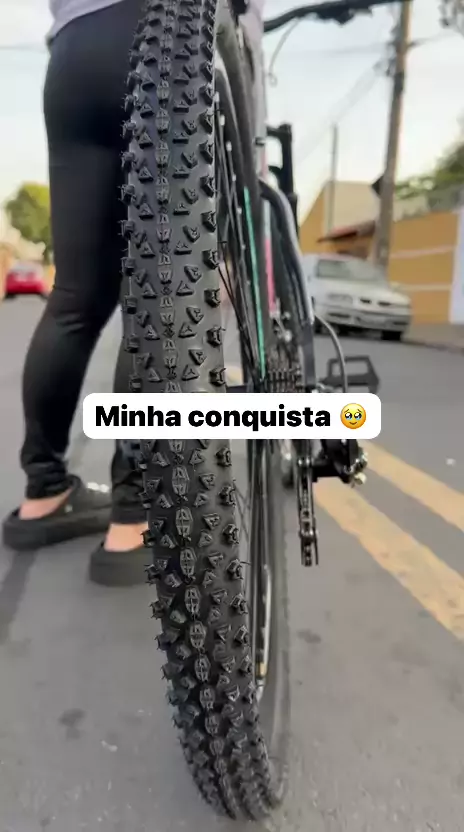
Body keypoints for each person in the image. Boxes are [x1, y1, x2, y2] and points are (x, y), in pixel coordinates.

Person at [2, 0, 149, 587]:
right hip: (168, 31)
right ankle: (134, 515)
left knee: (74, 299)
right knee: (155, 300)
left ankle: (44, 491)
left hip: (74, 49)